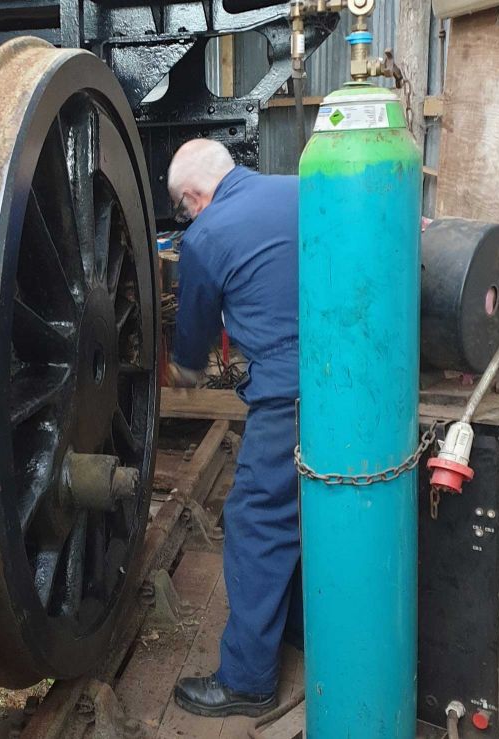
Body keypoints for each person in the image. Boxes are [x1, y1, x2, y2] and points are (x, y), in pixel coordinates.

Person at [167, 139, 302, 718]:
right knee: (317, 501)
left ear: (195, 198)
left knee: (256, 519)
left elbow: (191, 354)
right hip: (357, 378)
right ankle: (303, 631)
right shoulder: (301, 190)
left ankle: (247, 680)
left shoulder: (205, 235)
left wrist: (175, 372)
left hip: (289, 391)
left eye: (185, 209)